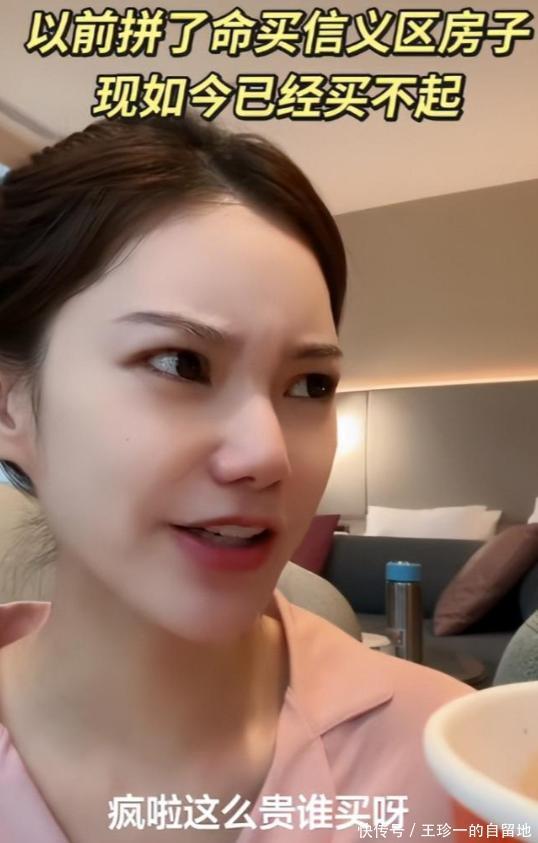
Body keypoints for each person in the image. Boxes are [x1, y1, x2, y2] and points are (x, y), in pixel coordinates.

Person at [0, 113, 473, 842]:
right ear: (11, 407)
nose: (268, 454)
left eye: (311, 385)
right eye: (181, 364)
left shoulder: (457, 764)